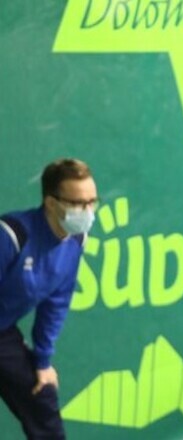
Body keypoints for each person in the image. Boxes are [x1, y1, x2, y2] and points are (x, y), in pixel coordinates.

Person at [0, 158, 98, 439]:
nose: (87, 212)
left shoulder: (76, 241)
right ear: (51, 203)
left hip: (2, 333)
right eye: (78, 203)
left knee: (42, 393)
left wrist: (42, 362)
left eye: (92, 202)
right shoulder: (10, 235)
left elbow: (56, 302)